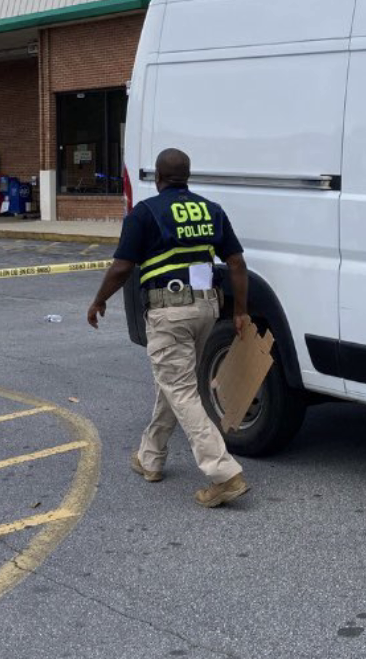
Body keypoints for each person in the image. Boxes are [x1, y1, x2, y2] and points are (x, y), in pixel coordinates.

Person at [87, 147, 251, 507]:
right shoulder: (211, 210)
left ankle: (224, 474)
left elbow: (121, 268)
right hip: (207, 308)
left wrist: (99, 300)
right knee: (176, 382)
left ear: (158, 177)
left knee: (179, 387)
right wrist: (240, 311)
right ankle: (151, 457)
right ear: (186, 176)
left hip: (169, 310)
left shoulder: (144, 213)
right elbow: (237, 263)